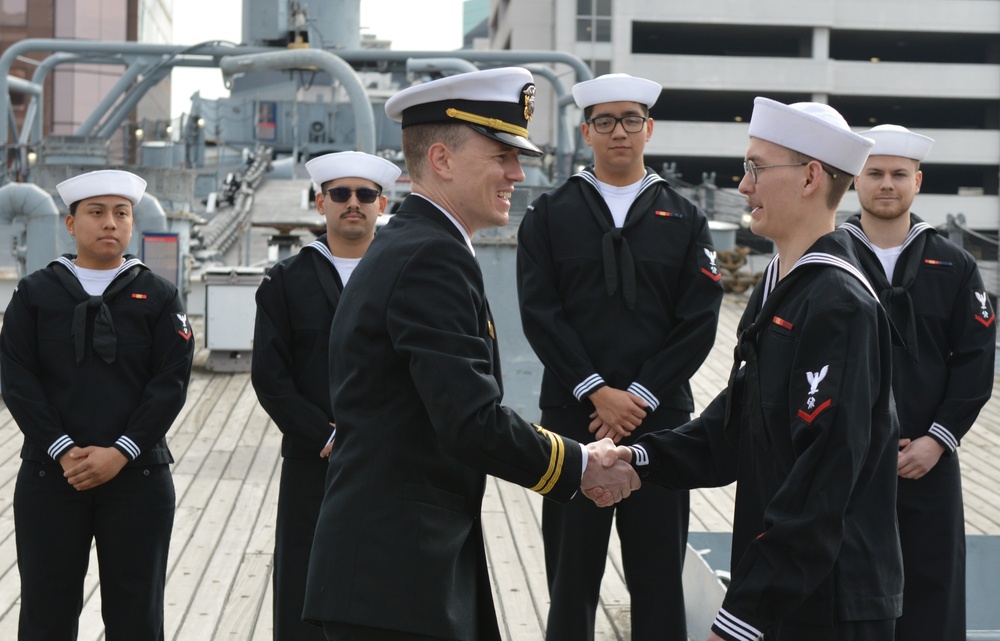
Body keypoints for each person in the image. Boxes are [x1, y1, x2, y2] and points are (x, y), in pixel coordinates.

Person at [302, 66, 640, 641]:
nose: (518, 171)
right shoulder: (432, 258)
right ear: (442, 159)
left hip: (397, 566)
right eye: (501, 155)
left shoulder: (413, 246)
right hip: (397, 576)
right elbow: (469, 420)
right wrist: (581, 463)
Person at [609, 97, 905, 641]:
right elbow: (738, 426)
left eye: (755, 167)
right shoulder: (783, 286)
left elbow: (821, 483)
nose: (743, 186)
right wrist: (639, 458)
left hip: (827, 603)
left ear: (811, 176)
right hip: (785, 589)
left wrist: (743, 615)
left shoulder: (838, 304)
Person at [516, 72, 723, 641]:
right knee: (571, 577)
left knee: (659, 578)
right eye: (604, 121)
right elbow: (540, 312)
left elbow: (699, 320)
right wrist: (597, 392)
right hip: (572, 419)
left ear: (649, 128)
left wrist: (638, 399)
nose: (619, 132)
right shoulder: (549, 215)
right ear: (586, 132)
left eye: (631, 119)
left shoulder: (685, 219)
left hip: (659, 425)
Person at [0, 169, 195, 640]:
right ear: (70, 224)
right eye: (96, 212)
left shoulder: (160, 296)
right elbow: (17, 377)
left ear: (131, 224)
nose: (110, 222)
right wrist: (63, 448)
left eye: (121, 213)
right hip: (51, 475)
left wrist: (122, 450)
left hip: (138, 477)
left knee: (136, 616)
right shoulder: (36, 294)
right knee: (47, 613)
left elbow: (169, 383)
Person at [842, 124, 995, 641]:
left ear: (918, 182)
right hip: (847, 462)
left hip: (927, 461)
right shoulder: (828, 258)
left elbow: (975, 364)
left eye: (899, 175)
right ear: (854, 181)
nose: (887, 184)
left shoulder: (954, 265)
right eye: (876, 173)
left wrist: (938, 440)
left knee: (933, 590)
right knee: (848, 589)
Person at [251, 151, 401, 641]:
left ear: (383, 203)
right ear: (321, 203)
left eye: (364, 195)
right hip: (313, 456)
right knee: (302, 578)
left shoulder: (409, 274)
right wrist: (324, 434)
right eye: (340, 194)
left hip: (393, 457)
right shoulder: (286, 281)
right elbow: (270, 376)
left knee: (390, 580)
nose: (352, 204)